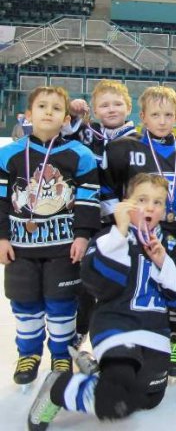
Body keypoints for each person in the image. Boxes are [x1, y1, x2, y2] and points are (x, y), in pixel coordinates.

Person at [27, 174, 176, 429]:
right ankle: (58, 388)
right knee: (115, 394)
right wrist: (120, 234)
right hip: (117, 326)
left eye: (158, 202)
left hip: (155, 333)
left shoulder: (170, 244)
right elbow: (98, 284)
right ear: (125, 203)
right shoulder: (108, 237)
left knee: (148, 399)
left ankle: (97, 374)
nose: (150, 207)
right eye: (142, 200)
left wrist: (163, 262)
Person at [101, 86, 176, 377]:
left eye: (168, 115)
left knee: (175, 290)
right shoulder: (123, 149)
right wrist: (118, 228)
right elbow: (108, 190)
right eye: (156, 114)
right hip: (139, 236)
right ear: (143, 116)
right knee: (141, 289)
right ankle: (140, 342)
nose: (162, 121)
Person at [0, 86, 101, 386]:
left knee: (62, 304)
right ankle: (28, 354)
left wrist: (82, 236)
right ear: (28, 115)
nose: (48, 112)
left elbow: (88, 199)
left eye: (56, 108)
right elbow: (1, 200)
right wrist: (1, 237)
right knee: (24, 303)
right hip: (20, 248)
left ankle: (60, 354)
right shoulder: (8, 155)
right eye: (42, 106)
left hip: (63, 248)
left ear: (66, 119)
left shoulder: (80, 155)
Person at [65, 80, 138, 348]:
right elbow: (60, 134)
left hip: (124, 223)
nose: (111, 109)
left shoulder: (138, 141)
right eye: (104, 105)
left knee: (121, 276)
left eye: (117, 104)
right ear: (94, 110)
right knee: (86, 276)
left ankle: (122, 333)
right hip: (87, 219)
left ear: (128, 107)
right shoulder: (86, 134)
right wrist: (72, 111)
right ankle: (81, 327)